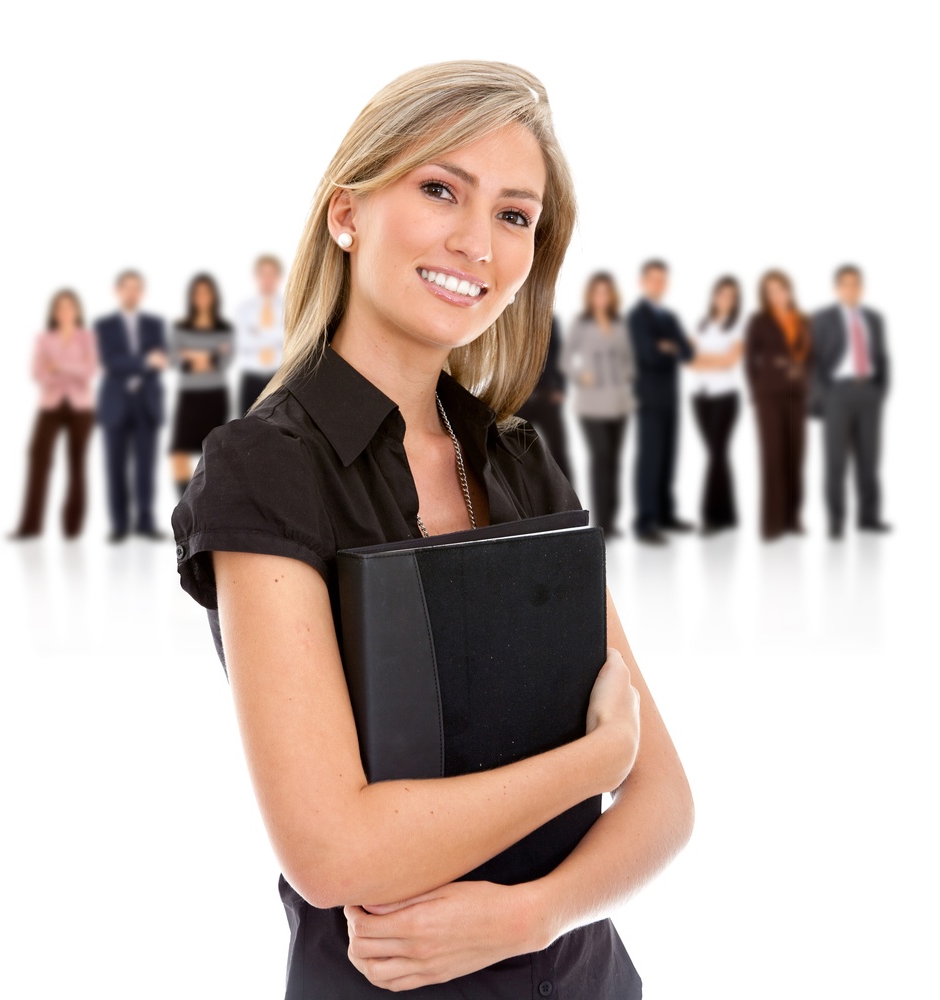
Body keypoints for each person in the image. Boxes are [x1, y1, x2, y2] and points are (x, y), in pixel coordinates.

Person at [173, 61, 693, 999]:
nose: (476, 242)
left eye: (514, 214)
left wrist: (531, 914)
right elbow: (332, 851)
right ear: (347, 213)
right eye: (440, 188)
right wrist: (596, 758)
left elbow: (665, 804)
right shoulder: (267, 468)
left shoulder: (518, 458)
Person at [810, 265, 891, 539]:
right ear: (836, 288)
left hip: (869, 393)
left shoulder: (875, 318)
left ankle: (868, 518)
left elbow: (882, 357)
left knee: (870, 459)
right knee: (836, 462)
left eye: (856, 283)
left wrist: (880, 390)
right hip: (837, 394)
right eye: (845, 284)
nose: (851, 288)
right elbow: (811, 362)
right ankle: (836, 522)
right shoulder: (821, 318)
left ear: (862, 287)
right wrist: (823, 395)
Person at [10, 289, 98, 539]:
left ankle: (72, 527)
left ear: (77, 311)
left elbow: (89, 371)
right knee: (38, 456)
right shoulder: (44, 339)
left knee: (76, 462)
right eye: (59, 308)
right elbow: (38, 373)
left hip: (80, 407)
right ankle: (30, 525)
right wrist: (71, 369)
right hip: (50, 405)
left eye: (69, 307)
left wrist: (58, 366)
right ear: (54, 312)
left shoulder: (87, 337)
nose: (64, 312)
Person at [95, 270, 169, 542]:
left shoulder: (154, 324)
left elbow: (162, 359)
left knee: (146, 467)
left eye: (137, 288)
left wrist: (148, 362)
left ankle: (146, 522)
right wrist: (144, 362)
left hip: (146, 402)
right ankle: (119, 525)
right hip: (115, 403)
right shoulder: (105, 325)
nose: (132, 293)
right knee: (114, 466)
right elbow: (110, 361)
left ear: (142, 292)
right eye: (127, 288)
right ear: (118, 291)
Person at [560, 272, 635, 537]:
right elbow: (567, 361)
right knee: (601, 458)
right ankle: (603, 520)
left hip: (619, 402)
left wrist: (627, 375)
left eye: (606, 292)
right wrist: (582, 375)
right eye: (597, 292)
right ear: (591, 296)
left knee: (614, 460)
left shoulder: (618, 323)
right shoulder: (582, 324)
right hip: (592, 403)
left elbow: (628, 358)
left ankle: (612, 519)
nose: (601, 297)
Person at [628, 259, 695, 544]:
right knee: (651, 460)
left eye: (662, 280)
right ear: (644, 282)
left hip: (670, 398)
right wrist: (671, 348)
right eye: (653, 280)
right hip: (648, 399)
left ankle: (666, 515)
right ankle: (646, 522)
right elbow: (648, 354)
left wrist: (670, 347)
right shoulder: (637, 317)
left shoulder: (669, 318)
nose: (658, 285)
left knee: (668, 457)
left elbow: (688, 353)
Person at [744, 269, 812, 541]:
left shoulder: (803, 320)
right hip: (769, 395)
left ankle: (792, 519)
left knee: (795, 456)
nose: (777, 294)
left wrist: (804, 376)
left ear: (789, 289)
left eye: (780, 288)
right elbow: (750, 361)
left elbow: (812, 356)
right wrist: (759, 388)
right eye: (771, 291)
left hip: (797, 394)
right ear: (765, 295)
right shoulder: (759, 321)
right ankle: (772, 523)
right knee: (773, 457)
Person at [688, 276, 745, 535]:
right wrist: (712, 359)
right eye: (722, 294)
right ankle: (728, 514)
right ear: (715, 297)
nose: (725, 300)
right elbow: (689, 361)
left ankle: (711, 517)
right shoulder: (702, 325)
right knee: (717, 454)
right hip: (701, 399)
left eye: (731, 296)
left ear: (735, 301)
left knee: (716, 454)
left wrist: (704, 359)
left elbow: (729, 361)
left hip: (725, 398)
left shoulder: (737, 327)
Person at [169, 273, 234, 498]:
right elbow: (176, 359)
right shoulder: (181, 326)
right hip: (189, 396)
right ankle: (184, 506)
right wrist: (210, 355)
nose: (202, 297)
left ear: (213, 296)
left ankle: (206, 505)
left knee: (213, 453)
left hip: (214, 396)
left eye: (206, 292)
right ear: (192, 297)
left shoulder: (224, 327)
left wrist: (194, 355)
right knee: (178, 451)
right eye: (198, 293)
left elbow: (225, 360)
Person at [516, 314, 574, 483]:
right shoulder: (509, 317)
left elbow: (559, 355)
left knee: (558, 449)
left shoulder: (549, 319)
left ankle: (570, 500)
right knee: (518, 450)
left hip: (547, 395)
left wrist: (560, 387)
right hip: (519, 397)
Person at [235, 254, 286, 416]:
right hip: (252, 378)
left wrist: (257, 333)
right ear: (257, 277)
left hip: (279, 377)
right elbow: (243, 342)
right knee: (246, 426)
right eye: (263, 274)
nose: (267, 279)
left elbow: (288, 339)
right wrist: (275, 335)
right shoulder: (244, 308)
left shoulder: (289, 308)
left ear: (278, 277)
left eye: (271, 274)